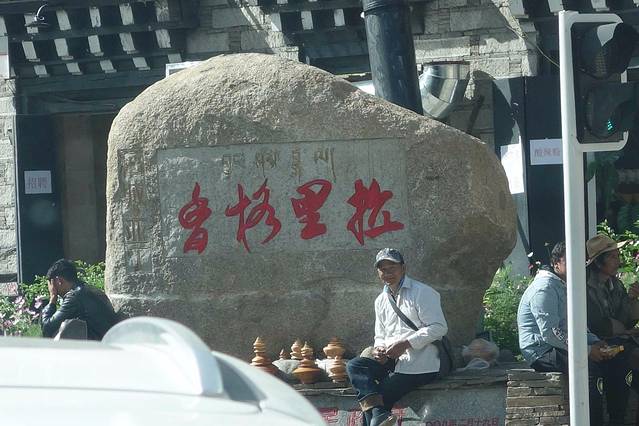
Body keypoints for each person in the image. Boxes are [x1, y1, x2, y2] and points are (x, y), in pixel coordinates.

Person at [517, 241, 629, 425]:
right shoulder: (544, 288)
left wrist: (596, 342)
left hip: (564, 345)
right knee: (586, 367)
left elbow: (578, 325)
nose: (577, 266)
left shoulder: (567, 286)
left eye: (580, 261)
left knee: (618, 361)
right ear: (556, 263)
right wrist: (586, 350)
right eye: (570, 260)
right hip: (542, 350)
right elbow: (551, 333)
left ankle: (618, 420)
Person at [346, 248, 448, 426]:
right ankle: (379, 415)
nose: (388, 273)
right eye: (383, 269)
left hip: (422, 364)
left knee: (378, 399)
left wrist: (407, 343)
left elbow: (439, 328)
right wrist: (379, 349)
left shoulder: (422, 292)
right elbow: (380, 335)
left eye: (392, 268)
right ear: (378, 273)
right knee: (355, 365)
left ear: (403, 268)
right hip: (392, 362)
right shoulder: (381, 300)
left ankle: (379, 414)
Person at [41, 259, 119, 340]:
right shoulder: (88, 290)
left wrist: (52, 298)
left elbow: (47, 328)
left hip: (99, 344)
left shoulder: (74, 296)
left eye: (51, 284)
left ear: (59, 280)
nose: (51, 288)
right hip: (108, 339)